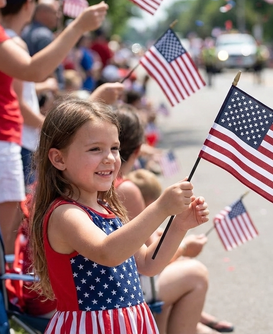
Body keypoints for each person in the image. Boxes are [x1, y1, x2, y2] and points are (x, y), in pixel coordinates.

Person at [29, 98, 209, 333]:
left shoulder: (108, 209)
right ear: (58, 158)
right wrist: (160, 208)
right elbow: (107, 252)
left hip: (128, 323)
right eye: (95, 149)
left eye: (114, 148)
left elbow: (147, 263)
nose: (110, 158)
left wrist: (178, 225)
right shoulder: (65, 213)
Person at [0, 0, 108, 254]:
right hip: (2, 143)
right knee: (1, 254)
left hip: (8, 143)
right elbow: (33, 70)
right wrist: (77, 27)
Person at [128, 168, 234, 334]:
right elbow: (150, 262)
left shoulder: (119, 188)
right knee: (195, 274)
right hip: (133, 288)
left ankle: (196, 320)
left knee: (181, 272)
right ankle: (196, 322)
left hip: (134, 284)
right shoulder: (128, 192)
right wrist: (184, 247)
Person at [0, 0, 57, 189]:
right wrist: (52, 128)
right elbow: (19, 105)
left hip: (17, 142)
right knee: (16, 221)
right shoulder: (13, 43)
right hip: (20, 143)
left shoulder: (8, 41)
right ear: (28, 4)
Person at [22, 0, 64, 89]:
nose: (58, 16)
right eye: (55, 12)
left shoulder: (25, 30)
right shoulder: (44, 35)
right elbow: (49, 67)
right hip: (44, 92)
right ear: (43, 13)